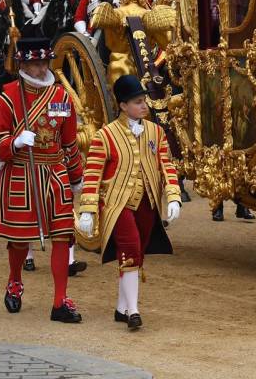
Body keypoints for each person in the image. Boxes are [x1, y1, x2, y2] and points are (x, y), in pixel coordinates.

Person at [0, 32, 83, 323]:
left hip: (55, 174)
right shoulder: (7, 98)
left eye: (45, 63)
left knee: (63, 236)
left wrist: (76, 178)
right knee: (19, 240)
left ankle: (59, 301)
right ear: (23, 66)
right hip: (21, 174)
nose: (41, 69)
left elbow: (69, 142)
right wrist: (13, 141)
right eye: (35, 65)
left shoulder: (62, 97)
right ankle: (14, 281)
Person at [76, 75, 181, 330]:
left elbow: (166, 164)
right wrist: (88, 209)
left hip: (148, 202)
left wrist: (174, 195)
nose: (144, 106)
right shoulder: (105, 135)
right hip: (116, 203)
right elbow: (92, 173)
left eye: (144, 101)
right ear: (123, 105)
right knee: (131, 247)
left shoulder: (156, 132)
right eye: (137, 102)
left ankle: (122, 308)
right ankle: (134, 310)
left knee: (137, 253)